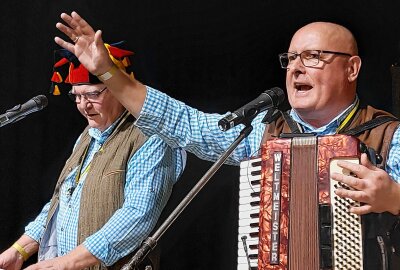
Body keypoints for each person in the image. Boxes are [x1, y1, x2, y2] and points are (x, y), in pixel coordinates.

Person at [54, 12, 400, 216]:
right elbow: (182, 123)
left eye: (312, 56)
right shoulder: (263, 132)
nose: (295, 69)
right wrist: (108, 74)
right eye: (291, 58)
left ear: (352, 68)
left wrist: (395, 198)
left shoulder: (389, 136)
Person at [0, 43, 185, 270]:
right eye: (76, 96)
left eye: (92, 94)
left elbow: (137, 216)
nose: (83, 106)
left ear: (118, 88)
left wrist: (66, 263)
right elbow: (61, 202)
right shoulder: (86, 137)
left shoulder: (149, 138)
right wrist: (20, 250)